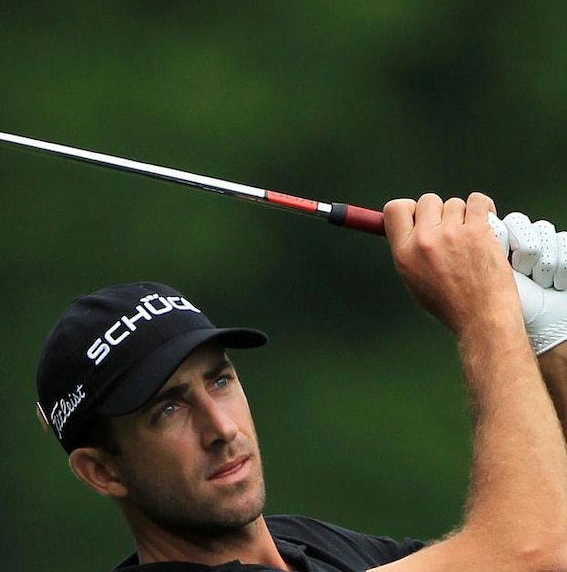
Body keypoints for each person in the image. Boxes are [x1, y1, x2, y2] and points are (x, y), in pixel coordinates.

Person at [34, 193, 567, 572]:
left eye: (219, 381)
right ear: (102, 471)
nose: (220, 428)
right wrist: (486, 310)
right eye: (167, 410)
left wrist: (552, 338)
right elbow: (530, 553)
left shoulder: (304, 547)